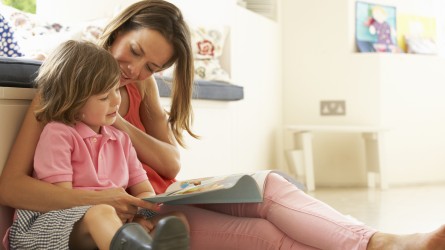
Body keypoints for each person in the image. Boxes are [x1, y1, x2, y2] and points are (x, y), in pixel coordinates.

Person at [0, 0, 444, 249]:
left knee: (267, 185)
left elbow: (170, 161)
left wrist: (121, 125)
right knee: (265, 235)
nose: (133, 70)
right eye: (133, 52)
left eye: (152, 65)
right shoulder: (67, 84)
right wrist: (118, 201)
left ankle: (382, 243)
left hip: (154, 202)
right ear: (117, 32)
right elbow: (14, 188)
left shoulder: (140, 90)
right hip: (120, 212)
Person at [5, 39, 189, 250]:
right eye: (104, 97)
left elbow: (144, 191)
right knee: (101, 213)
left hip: (108, 218)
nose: (115, 101)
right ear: (74, 102)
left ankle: (136, 244)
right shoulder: (59, 134)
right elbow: (64, 200)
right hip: (54, 223)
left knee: (176, 218)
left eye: (116, 91)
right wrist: (108, 208)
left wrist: (140, 214)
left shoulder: (121, 139)